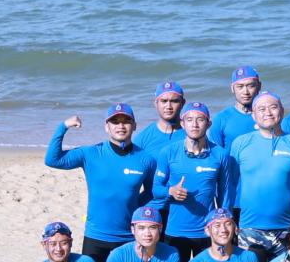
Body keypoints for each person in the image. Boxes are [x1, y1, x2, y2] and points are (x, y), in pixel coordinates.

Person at [45, 103, 157, 262]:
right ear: (107, 127)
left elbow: (152, 192)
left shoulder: (146, 160)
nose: (120, 126)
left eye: (126, 121)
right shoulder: (90, 153)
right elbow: (52, 160)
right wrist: (63, 127)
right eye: (115, 122)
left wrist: (133, 203)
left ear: (134, 126)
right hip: (95, 236)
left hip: (128, 236)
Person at [229, 91, 290, 261]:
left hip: (286, 229)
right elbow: (229, 184)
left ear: (282, 111)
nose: (268, 112)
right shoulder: (240, 143)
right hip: (249, 228)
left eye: (273, 107)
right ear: (254, 115)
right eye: (261, 109)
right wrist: (229, 216)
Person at [151, 102, 237, 261]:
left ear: (209, 123)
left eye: (200, 119)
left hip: (207, 231)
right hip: (176, 231)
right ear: (182, 123)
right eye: (189, 119)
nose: (195, 124)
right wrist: (170, 191)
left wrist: (223, 223)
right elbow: (156, 189)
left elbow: (225, 194)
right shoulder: (168, 152)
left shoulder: (220, 154)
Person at [212, 66, 264, 151]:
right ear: (232, 88)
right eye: (240, 86)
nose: (245, 92)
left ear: (259, 86)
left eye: (250, 86)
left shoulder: (268, 117)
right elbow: (215, 155)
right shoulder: (221, 119)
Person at [107, 206, 181, 262]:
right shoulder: (118, 255)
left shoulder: (170, 253)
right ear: (133, 229)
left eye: (152, 227)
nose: (147, 233)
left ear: (160, 229)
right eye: (141, 228)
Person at [135, 81, 186, 153]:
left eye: (174, 101)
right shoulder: (143, 138)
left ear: (182, 103)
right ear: (156, 103)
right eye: (164, 101)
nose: (169, 106)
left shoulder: (192, 133)